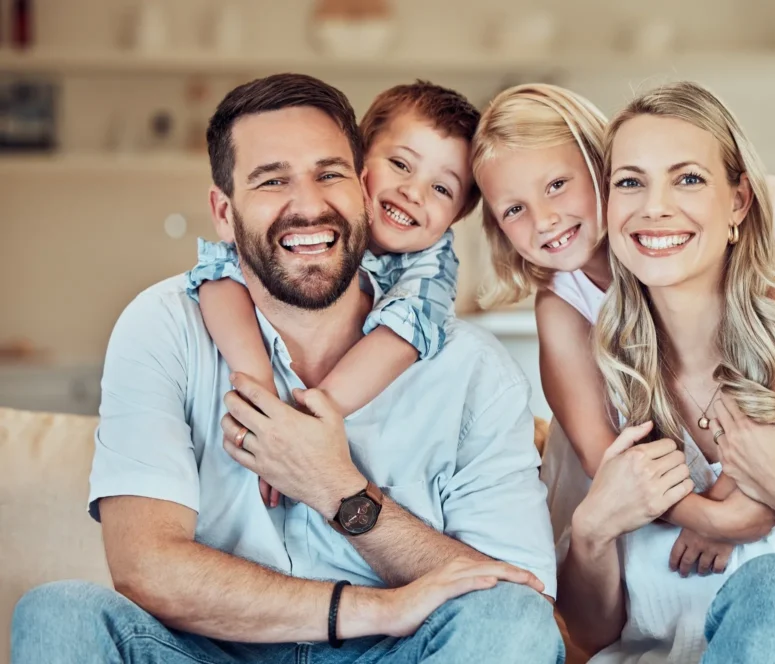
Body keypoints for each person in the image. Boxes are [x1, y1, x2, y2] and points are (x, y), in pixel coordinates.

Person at [11, 73, 563, 664]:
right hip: (212, 651)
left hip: (396, 654)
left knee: (510, 620)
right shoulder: (166, 324)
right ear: (224, 212)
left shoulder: (471, 368)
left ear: (356, 186)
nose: (307, 204)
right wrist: (371, 607)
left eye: (329, 174)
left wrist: (337, 488)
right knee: (59, 613)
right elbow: (145, 567)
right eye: (273, 180)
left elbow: (517, 591)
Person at [471, 82, 775, 661]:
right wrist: (595, 530)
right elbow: (586, 638)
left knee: (773, 590)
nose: (655, 206)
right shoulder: (594, 375)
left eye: (688, 179)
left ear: (739, 202)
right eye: (632, 181)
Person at [188, 80, 478, 507]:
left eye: (442, 189)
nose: (413, 193)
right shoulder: (312, 222)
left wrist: (298, 431)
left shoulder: (432, 265)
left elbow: (399, 340)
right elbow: (218, 277)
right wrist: (263, 393)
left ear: (458, 214)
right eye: (400, 164)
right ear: (358, 162)